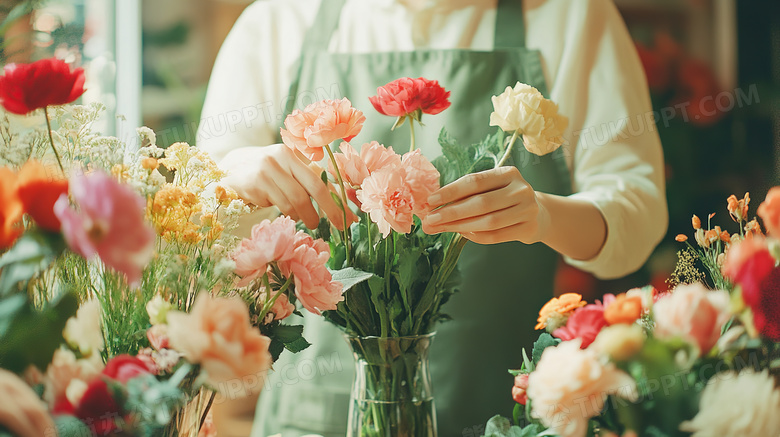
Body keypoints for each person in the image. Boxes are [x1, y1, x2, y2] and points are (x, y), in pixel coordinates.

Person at [198, 0, 668, 435]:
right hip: (314, 415)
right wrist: (228, 177)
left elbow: (638, 210)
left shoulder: (570, 15)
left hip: (499, 411)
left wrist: (545, 215)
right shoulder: (281, 19)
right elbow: (197, 228)